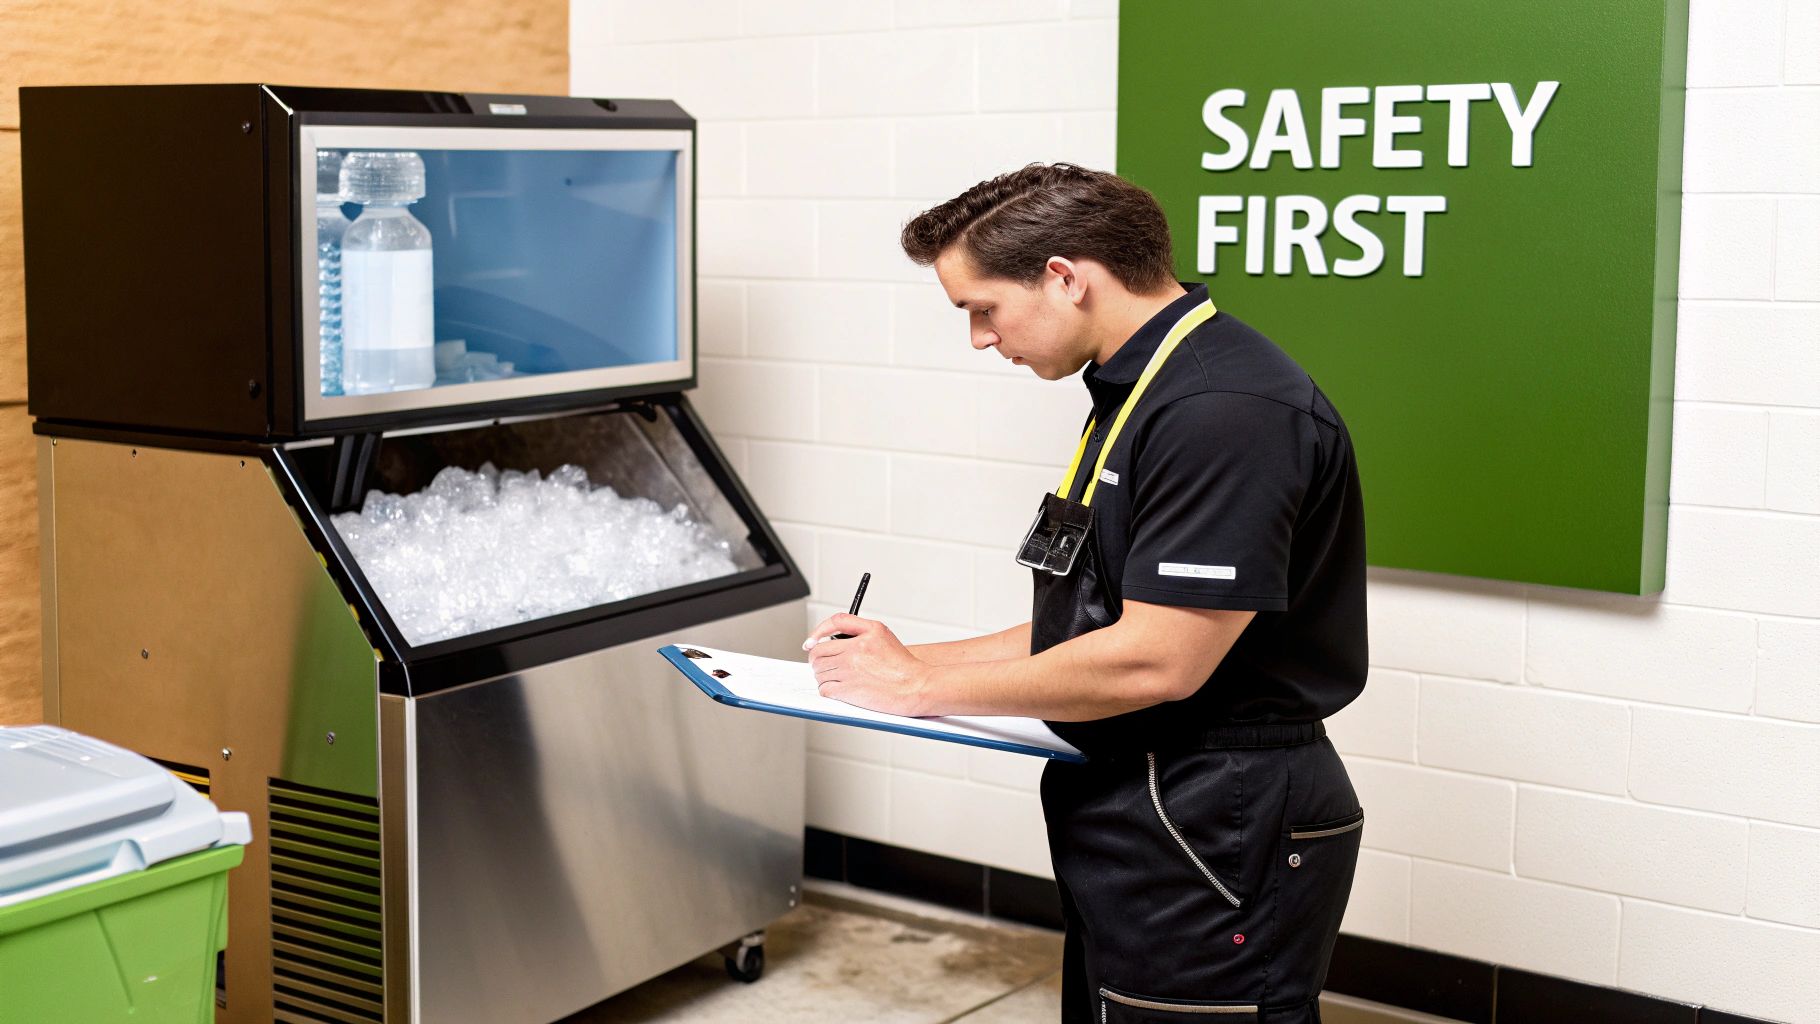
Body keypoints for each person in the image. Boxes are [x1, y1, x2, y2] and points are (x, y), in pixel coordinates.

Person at [802, 163, 1369, 1023]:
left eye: (981, 309)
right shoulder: (1137, 391)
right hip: (1142, 801)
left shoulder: (1223, 407)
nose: (981, 340)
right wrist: (903, 662)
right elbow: (1091, 620)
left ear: (1065, 277)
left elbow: (1156, 660)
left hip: (1218, 812)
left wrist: (920, 689)